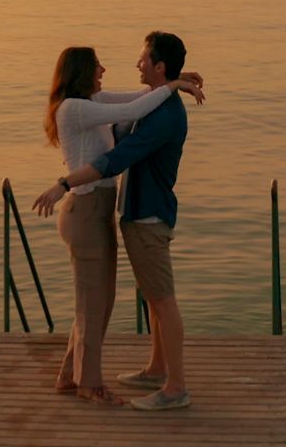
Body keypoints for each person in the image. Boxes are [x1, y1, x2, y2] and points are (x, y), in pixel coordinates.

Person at [34, 31, 195, 412]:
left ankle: (73, 375)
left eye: (143, 59)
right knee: (95, 304)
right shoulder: (75, 108)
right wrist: (174, 82)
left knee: (97, 302)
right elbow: (131, 116)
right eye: (97, 66)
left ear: (158, 65)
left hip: (101, 210)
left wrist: (175, 84)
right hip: (87, 210)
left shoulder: (92, 101)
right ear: (81, 73)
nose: (106, 69)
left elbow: (136, 102)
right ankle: (89, 384)